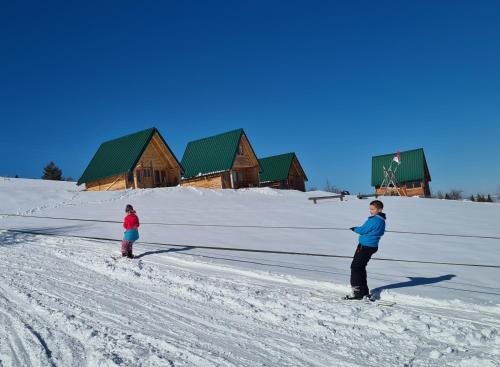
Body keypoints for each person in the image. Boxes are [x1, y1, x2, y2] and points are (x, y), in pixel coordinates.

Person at [345, 200, 386, 300]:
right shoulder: (382, 220)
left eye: (373, 209)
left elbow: (363, 230)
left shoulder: (374, 220)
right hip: (372, 246)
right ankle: (363, 291)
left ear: (379, 209)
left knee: (355, 267)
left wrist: (355, 229)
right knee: (360, 267)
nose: (371, 211)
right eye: (370, 209)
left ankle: (357, 292)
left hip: (365, 246)